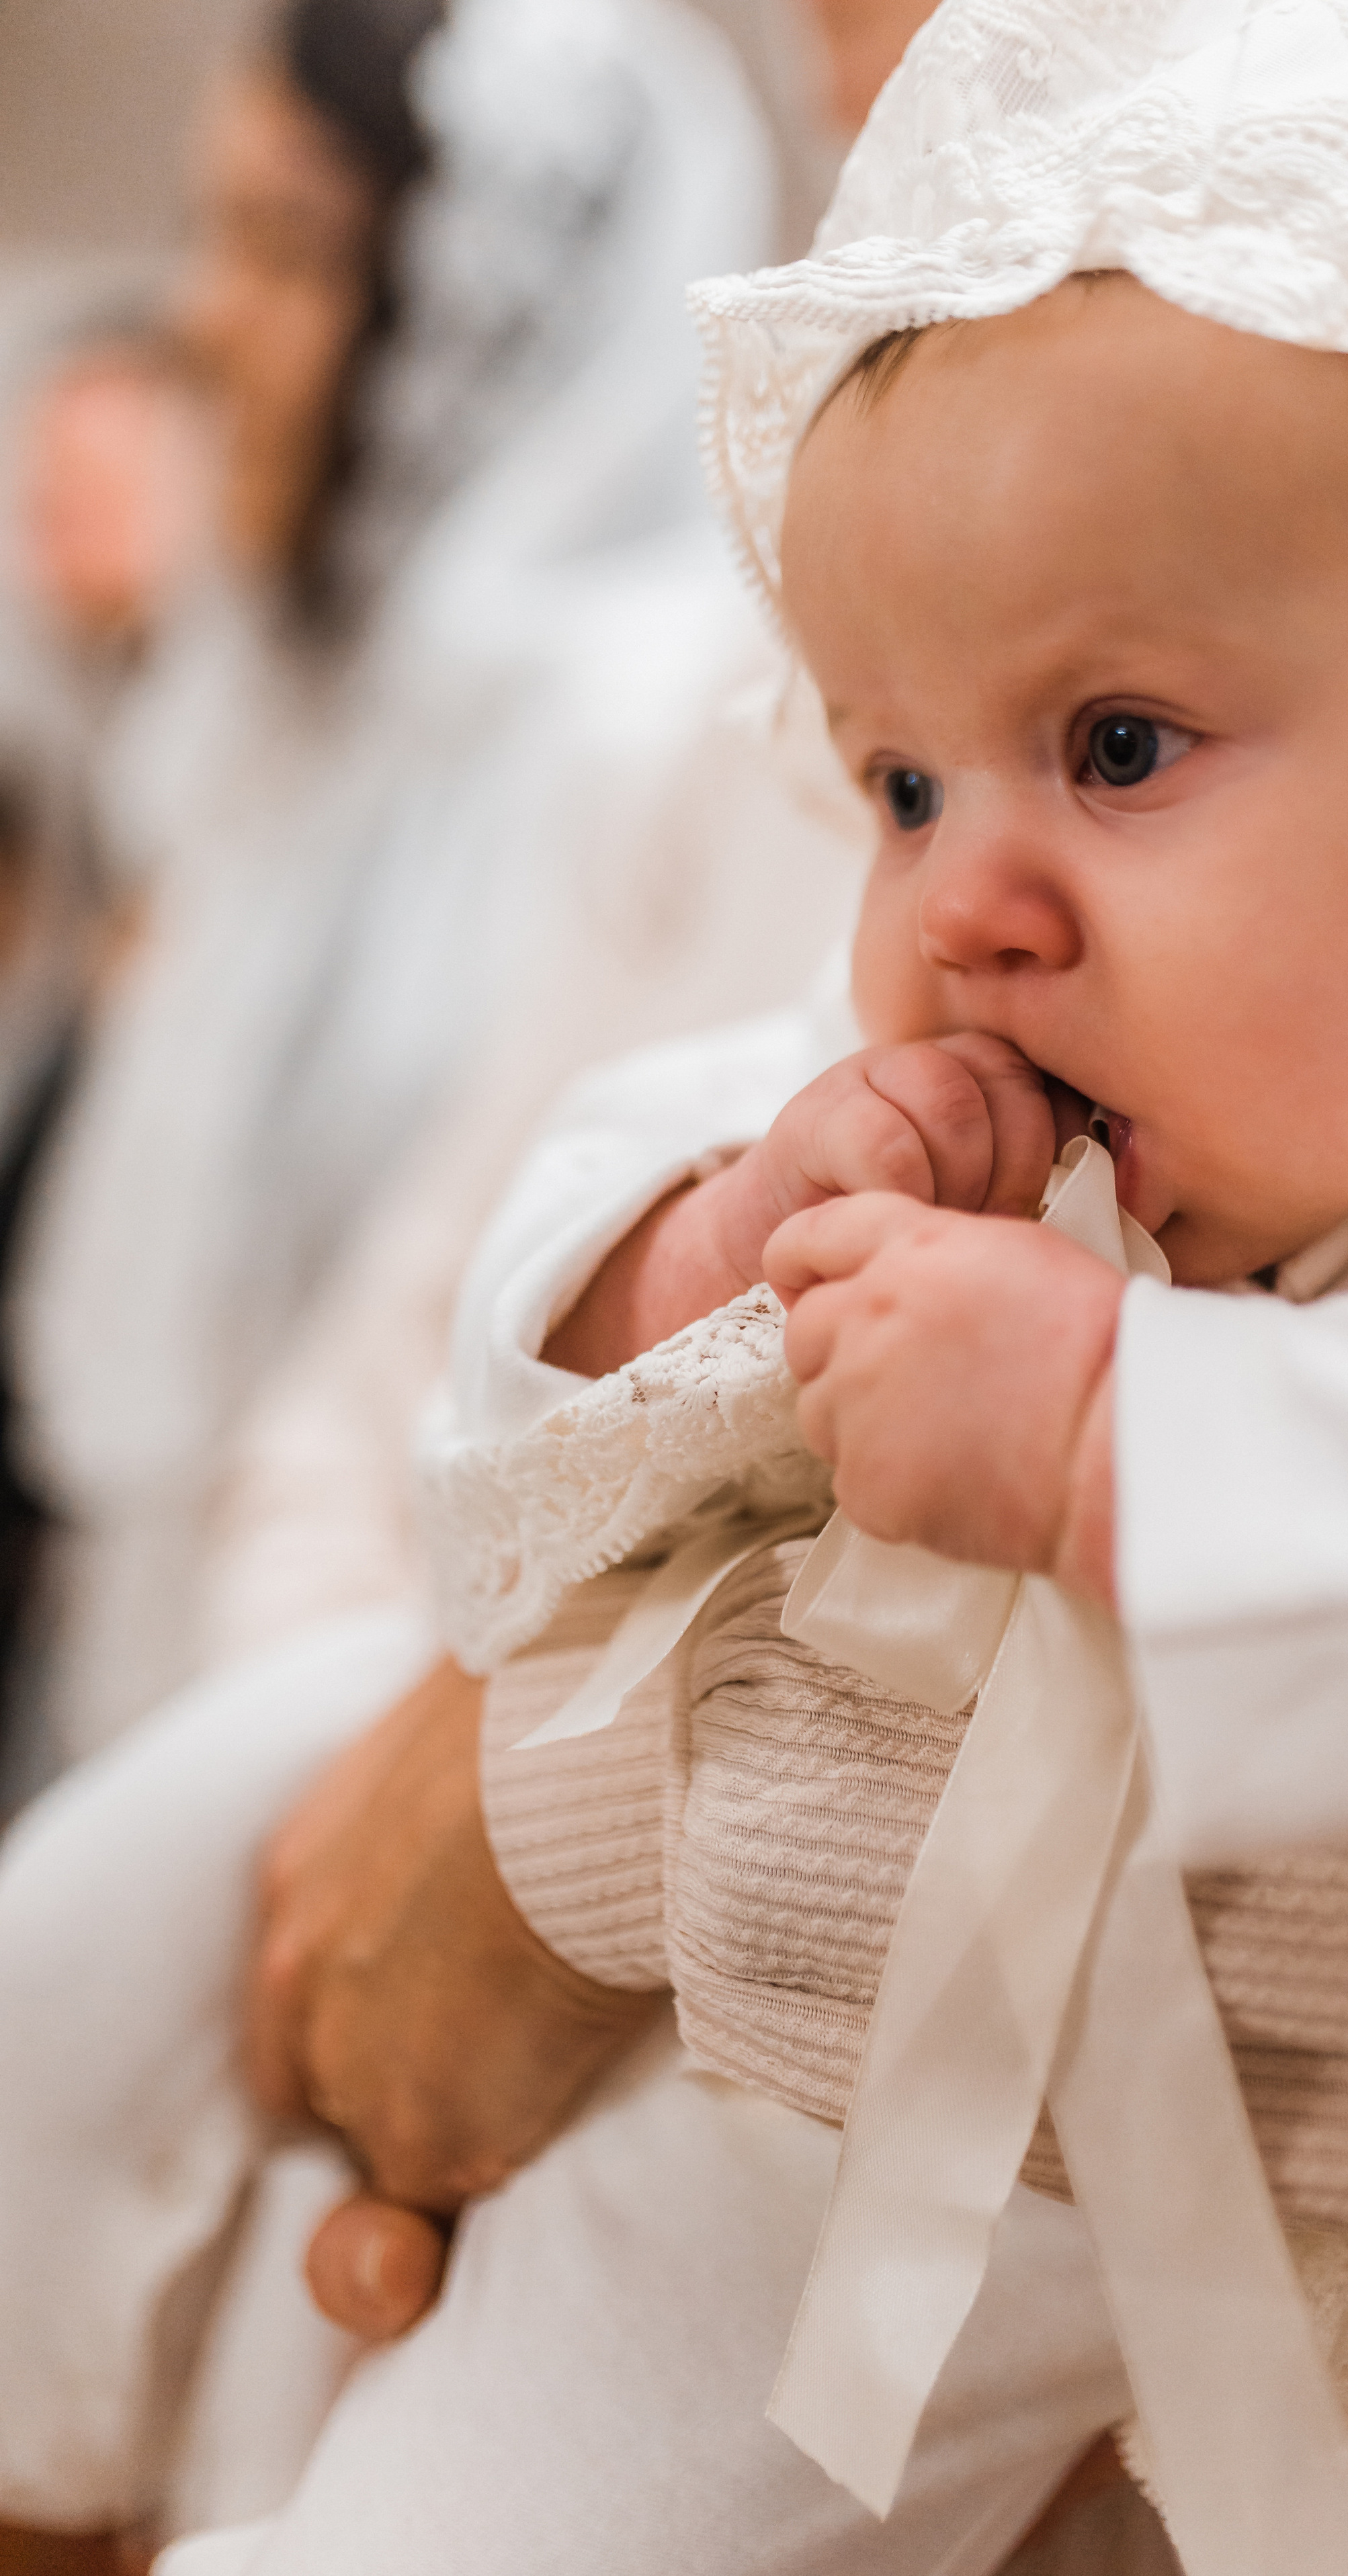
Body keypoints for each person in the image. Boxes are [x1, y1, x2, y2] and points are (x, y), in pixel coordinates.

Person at [9, 1, 1348, 2571]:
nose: (960, 898)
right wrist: (710, 1235)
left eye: (1122, 745)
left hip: (994, 2129)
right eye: (899, 774)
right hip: (665, 1853)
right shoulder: (968, 1034)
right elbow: (497, 1342)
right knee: (130, 1881)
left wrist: (1113, 1432)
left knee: (576, 2438)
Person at [5, 0, 785, 1766]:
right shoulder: (306, 720)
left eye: (289, 248)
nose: (206, 317)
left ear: (491, 305)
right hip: (184, 1654)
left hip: (403, 1700)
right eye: (216, 233)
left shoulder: (644, 724)